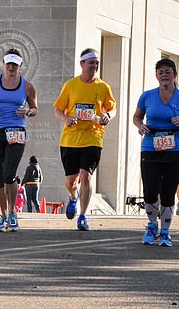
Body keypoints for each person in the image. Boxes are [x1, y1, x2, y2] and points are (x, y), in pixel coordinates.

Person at [132, 58, 179, 246]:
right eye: (160, 72)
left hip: (175, 147)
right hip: (151, 146)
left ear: (174, 75)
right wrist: (141, 126)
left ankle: (166, 232)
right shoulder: (147, 96)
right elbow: (136, 117)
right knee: (150, 190)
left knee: (168, 192)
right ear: (156, 76)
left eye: (168, 72)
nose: (164, 75)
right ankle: (152, 226)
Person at [54, 48, 116, 230]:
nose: (94, 66)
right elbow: (58, 109)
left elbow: (112, 108)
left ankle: (82, 216)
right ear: (82, 64)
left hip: (93, 136)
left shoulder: (103, 87)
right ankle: (73, 197)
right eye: (91, 63)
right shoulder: (70, 85)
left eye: (97, 63)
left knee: (86, 175)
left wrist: (108, 116)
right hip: (70, 138)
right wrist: (66, 119)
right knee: (71, 182)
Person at [0, 48, 38, 232]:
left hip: (16, 130)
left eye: (15, 64)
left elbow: (34, 109)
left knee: (9, 173)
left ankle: (13, 212)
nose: (11, 67)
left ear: (20, 66)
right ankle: (3, 215)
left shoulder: (27, 86)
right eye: (9, 63)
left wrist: (28, 112)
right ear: (3, 64)